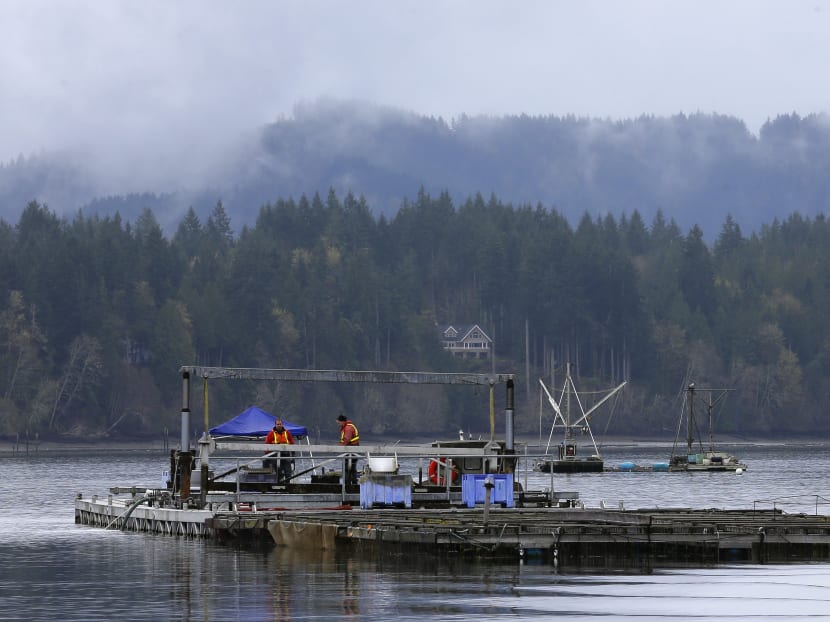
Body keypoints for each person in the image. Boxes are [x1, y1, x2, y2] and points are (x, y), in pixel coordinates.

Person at [264, 418, 295, 483]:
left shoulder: (287, 433)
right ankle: (278, 483)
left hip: (285, 455)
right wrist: (267, 456)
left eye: (280, 424)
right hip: (274, 456)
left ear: (282, 425)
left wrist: (293, 454)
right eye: (277, 424)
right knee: (277, 472)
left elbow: (292, 443)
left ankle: (287, 484)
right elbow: (266, 445)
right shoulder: (271, 434)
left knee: (288, 472)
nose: (279, 425)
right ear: (275, 425)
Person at [337, 413, 360, 485]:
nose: (338, 424)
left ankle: (348, 484)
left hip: (351, 450)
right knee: (351, 468)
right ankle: (352, 483)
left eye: (339, 423)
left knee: (348, 468)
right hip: (352, 450)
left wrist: (340, 447)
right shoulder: (348, 426)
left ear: (342, 421)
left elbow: (346, 439)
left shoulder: (348, 428)